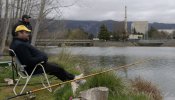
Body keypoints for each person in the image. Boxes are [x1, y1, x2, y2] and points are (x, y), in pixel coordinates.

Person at [10, 25, 84, 94]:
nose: (28, 34)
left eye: (28, 32)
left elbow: (27, 58)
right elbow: (29, 61)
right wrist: (42, 58)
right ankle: (74, 79)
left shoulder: (16, 43)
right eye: (26, 32)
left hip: (31, 67)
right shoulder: (20, 45)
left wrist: (41, 57)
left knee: (56, 66)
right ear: (19, 33)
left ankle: (72, 79)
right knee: (57, 68)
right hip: (33, 69)